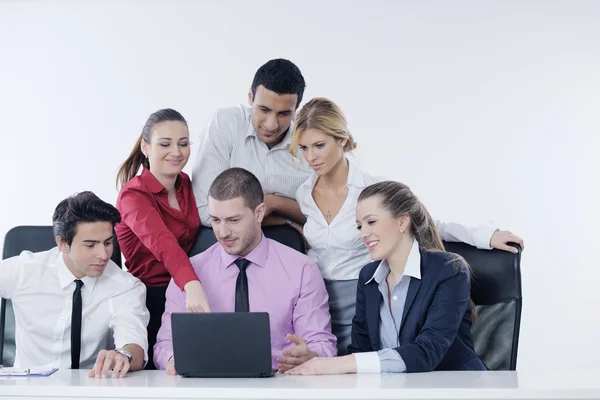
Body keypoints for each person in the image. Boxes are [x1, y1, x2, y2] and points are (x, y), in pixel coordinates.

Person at [286, 97, 525, 359]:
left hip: (363, 298)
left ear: (342, 139)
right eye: (304, 148)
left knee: (366, 370)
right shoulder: (304, 193)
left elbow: (425, 222)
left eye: (319, 145)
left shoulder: (371, 189)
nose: (311, 157)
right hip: (320, 304)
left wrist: (483, 236)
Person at [286, 181, 487, 375]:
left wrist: (338, 364)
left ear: (402, 221)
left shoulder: (449, 270)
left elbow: (427, 352)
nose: (363, 234)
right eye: (359, 226)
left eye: (371, 222)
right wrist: (315, 358)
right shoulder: (368, 277)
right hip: (396, 391)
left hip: (457, 388)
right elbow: (361, 351)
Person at [154, 168, 337, 374]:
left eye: (234, 220)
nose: (223, 232)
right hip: (208, 384)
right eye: (215, 220)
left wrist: (311, 356)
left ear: (259, 213)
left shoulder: (303, 270)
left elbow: (322, 344)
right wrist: (172, 359)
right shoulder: (189, 273)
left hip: (280, 383)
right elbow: (165, 344)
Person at [0, 192, 149, 378]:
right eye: (90, 245)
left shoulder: (125, 287)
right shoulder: (24, 270)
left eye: (108, 242)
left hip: (90, 387)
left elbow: (133, 343)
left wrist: (123, 355)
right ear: (62, 243)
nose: (103, 254)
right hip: (27, 388)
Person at [115, 108, 210, 370]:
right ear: (145, 147)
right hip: (149, 297)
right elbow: (165, 245)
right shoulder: (132, 195)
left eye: (183, 143)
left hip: (184, 293)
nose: (177, 152)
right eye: (165, 144)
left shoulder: (187, 184)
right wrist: (191, 284)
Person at [192, 58, 312, 229]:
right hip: (223, 241)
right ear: (250, 97)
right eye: (264, 110)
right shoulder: (226, 124)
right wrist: (285, 220)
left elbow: (324, 219)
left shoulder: (309, 144)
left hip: (288, 243)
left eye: (283, 114)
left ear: (297, 108)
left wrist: (275, 202)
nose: (271, 125)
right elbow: (205, 211)